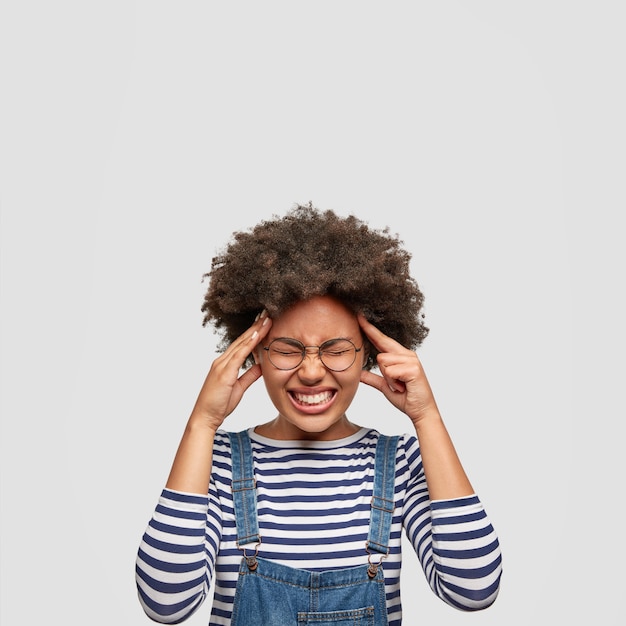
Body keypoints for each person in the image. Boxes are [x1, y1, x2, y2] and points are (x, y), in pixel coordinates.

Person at [135, 204, 503, 625]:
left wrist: (428, 418)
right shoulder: (215, 463)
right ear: (254, 352)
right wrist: (201, 424)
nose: (311, 372)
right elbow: (166, 603)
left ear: (370, 356)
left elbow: (474, 590)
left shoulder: (402, 463)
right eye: (288, 349)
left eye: (337, 350)